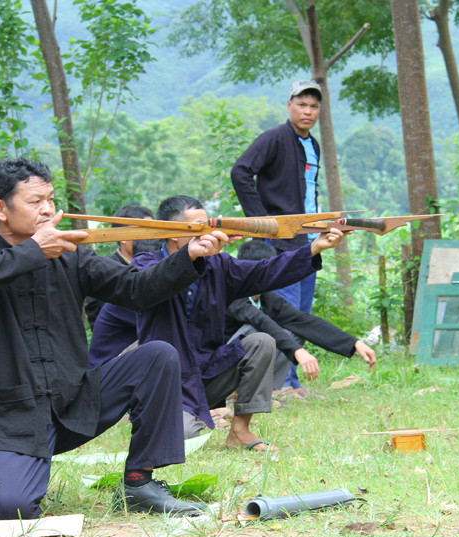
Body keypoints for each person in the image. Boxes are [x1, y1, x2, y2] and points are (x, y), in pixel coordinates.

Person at [0, 158, 229, 520]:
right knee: (10, 508)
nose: (48, 209)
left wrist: (190, 255)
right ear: (1, 208)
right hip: (7, 418)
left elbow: (135, 288)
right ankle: (10, 470)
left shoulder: (72, 256)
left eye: (50, 199)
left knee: (157, 355)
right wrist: (34, 250)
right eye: (35, 202)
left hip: (73, 405)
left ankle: (140, 484)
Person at [91, 195, 343, 452]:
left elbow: (264, 271)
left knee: (261, 342)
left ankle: (240, 431)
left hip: (206, 371)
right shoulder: (147, 266)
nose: (207, 233)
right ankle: (160, 417)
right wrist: (190, 256)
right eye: (198, 227)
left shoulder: (218, 265)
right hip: (163, 382)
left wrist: (314, 248)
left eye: (207, 225)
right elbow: (153, 283)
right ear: (172, 233)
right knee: (185, 437)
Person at [230, 79, 324, 392]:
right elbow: (241, 171)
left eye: (313, 106)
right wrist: (262, 221)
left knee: (301, 314)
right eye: (301, 105)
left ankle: (292, 381)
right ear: (289, 106)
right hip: (278, 244)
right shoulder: (275, 138)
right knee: (283, 311)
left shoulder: (313, 144)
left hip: (308, 242)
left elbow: (309, 192)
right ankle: (276, 384)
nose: (307, 112)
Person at [225, 240, 377, 393]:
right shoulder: (234, 297)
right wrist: (297, 351)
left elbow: (303, 321)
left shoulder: (267, 298)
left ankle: (263, 392)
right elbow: (262, 322)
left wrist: (355, 343)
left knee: (294, 331)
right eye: (270, 269)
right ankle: (235, 392)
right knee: (256, 332)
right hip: (220, 367)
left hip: (242, 361)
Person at [83, 204, 153, 329]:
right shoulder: (105, 270)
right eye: (144, 231)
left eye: (154, 230)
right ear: (123, 237)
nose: (152, 236)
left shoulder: (155, 264)